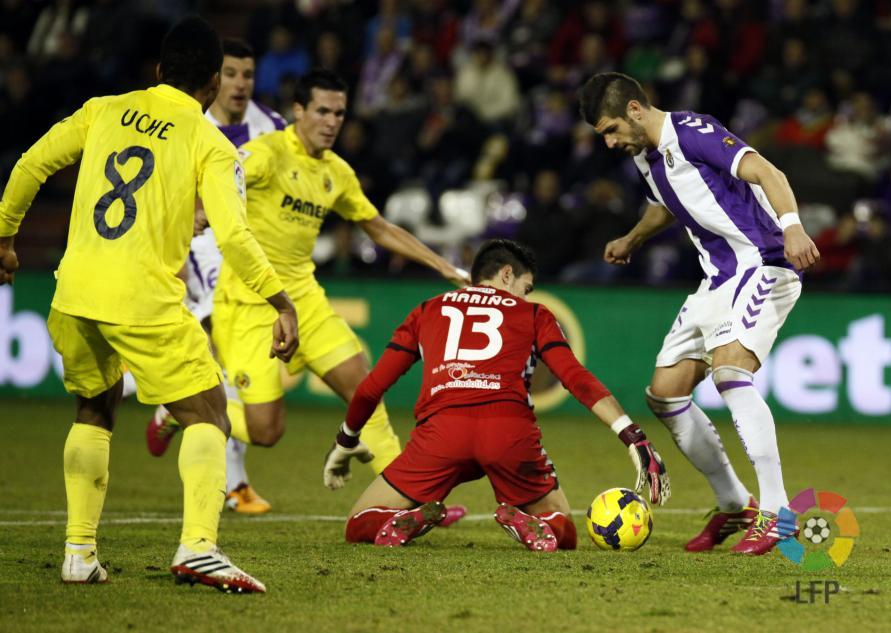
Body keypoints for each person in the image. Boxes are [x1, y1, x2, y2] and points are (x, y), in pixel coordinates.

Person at [0, 17, 299, 593]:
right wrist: (280, 301)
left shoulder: (103, 108)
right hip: (142, 298)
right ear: (213, 84)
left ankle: (79, 553)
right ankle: (199, 549)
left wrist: (6, 240)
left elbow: (30, 164)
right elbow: (234, 237)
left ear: (159, 71)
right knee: (210, 413)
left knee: (95, 409)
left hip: (75, 291)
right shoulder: (209, 140)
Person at [578, 72, 820, 555]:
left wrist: (792, 228)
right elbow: (665, 204)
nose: (608, 143)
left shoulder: (692, 131)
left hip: (763, 261)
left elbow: (770, 173)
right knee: (664, 395)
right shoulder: (646, 155)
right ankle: (736, 505)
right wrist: (633, 238)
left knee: (730, 371)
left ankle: (778, 513)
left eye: (609, 130)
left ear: (634, 111)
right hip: (717, 281)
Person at [210, 69, 470, 514]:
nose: (331, 121)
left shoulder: (336, 172)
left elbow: (379, 227)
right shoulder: (268, 154)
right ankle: (182, 410)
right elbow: (219, 175)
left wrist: (443, 266)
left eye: (339, 113)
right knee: (267, 431)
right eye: (322, 111)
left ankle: (412, 495)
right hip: (248, 304)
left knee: (364, 386)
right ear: (298, 111)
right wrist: (198, 211)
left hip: (303, 300)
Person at [322, 239, 670, 551]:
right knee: (563, 529)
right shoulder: (533, 314)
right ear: (507, 274)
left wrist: (347, 438)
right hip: (507, 434)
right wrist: (631, 435)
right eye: (526, 286)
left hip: (441, 434)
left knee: (358, 522)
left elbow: (371, 387)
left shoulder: (428, 309)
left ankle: (391, 521)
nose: (526, 295)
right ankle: (534, 524)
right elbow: (575, 378)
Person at [144, 38, 287, 516]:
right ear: (212, 77)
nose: (240, 84)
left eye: (248, 75)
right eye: (230, 74)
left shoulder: (273, 127)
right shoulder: (188, 122)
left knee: (235, 372)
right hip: (200, 244)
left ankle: (175, 414)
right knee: (214, 355)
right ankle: (234, 483)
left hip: (249, 249)